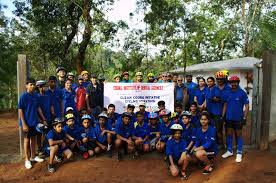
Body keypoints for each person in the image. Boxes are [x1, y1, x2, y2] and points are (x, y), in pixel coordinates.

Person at [18, 78, 45, 169]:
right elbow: (20, 110)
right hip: (26, 123)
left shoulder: (35, 96)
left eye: (34, 85)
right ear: (26, 85)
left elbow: (38, 108)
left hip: (34, 122)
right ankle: (27, 159)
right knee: (26, 140)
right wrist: (24, 124)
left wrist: (43, 119)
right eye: (31, 84)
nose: (32, 86)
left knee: (33, 139)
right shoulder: (23, 96)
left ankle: (33, 157)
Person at [222, 75, 249, 163]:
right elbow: (225, 105)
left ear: (238, 83)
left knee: (239, 135)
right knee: (229, 134)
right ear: (230, 83)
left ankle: (239, 152)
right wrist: (223, 116)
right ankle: (229, 150)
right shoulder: (227, 92)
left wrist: (244, 117)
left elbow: (247, 106)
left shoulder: (242, 93)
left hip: (238, 118)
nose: (233, 84)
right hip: (229, 118)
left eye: (235, 82)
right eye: (232, 82)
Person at [209, 71, 231, 146]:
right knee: (218, 130)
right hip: (216, 112)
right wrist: (214, 99)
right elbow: (209, 98)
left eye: (221, 79)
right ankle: (221, 144)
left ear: (224, 79)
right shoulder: (214, 88)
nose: (219, 81)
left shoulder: (229, 88)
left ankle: (229, 145)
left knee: (228, 130)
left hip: (228, 112)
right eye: (218, 79)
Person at [36, 80, 53, 154]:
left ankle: (45, 148)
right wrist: (42, 119)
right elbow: (37, 108)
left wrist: (52, 112)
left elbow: (51, 104)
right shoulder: (36, 96)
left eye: (44, 86)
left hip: (48, 117)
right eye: (42, 86)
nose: (44, 88)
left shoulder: (48, 95)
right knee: (39, 134)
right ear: (39, 88)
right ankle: (39, 148)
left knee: (47, 134)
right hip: (40, 119)